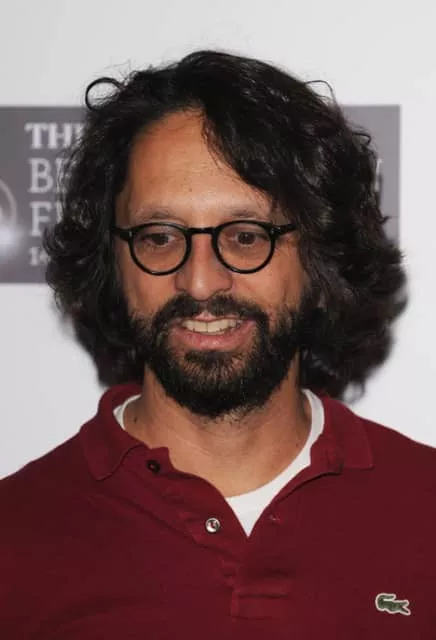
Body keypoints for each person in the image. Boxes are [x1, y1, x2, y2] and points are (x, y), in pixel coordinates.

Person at [1, 50, 434, 639]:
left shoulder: (424, 508)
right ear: (112, 262)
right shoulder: (15, 538)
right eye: (159, 237)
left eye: (246, 236)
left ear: (320, 257)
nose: (201, 282)